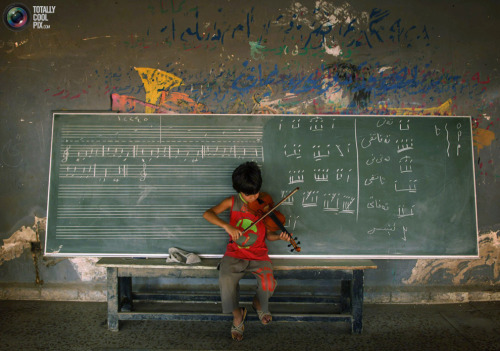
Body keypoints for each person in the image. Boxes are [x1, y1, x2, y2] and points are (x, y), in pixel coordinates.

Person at [203, 161, 291, 341]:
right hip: (235, 253)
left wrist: (279, 237)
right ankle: (237, 315)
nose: (253, 198)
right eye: (248, 195)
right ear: (239, 190)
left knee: (268, 283)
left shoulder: (264, 203)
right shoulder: (232, 201)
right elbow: (208, 213)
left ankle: (258, 302)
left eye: (256, 193)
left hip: (259, 254)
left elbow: (269, 235)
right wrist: (226, 226)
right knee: (226, 280)